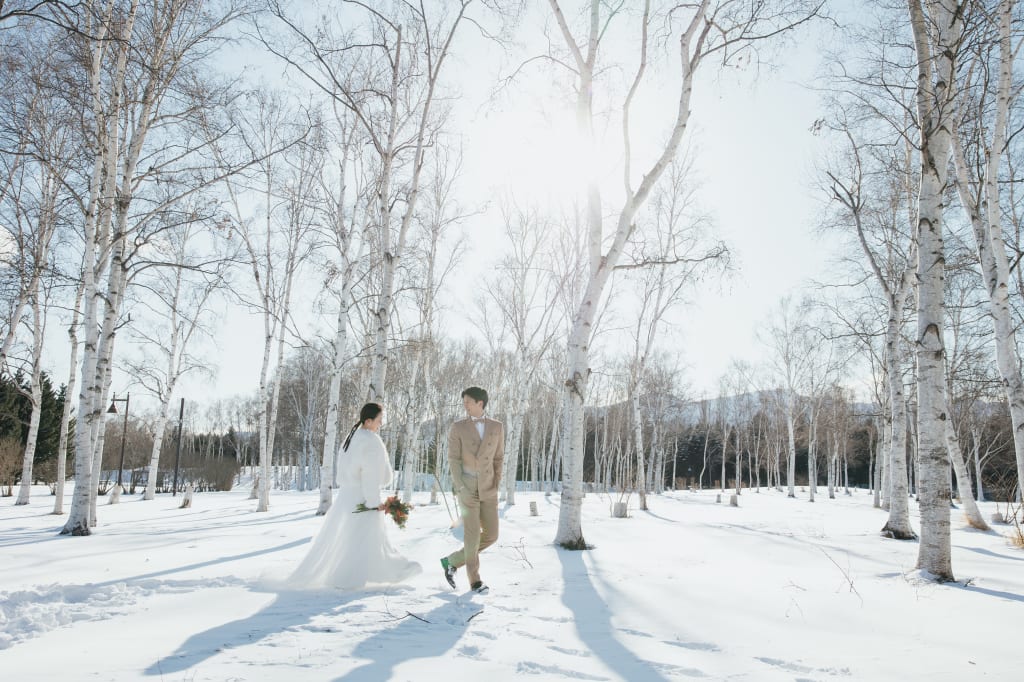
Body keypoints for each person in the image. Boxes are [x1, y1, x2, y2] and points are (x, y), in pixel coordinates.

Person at [289, 403, 421, 590]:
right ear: (368, 421)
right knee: (368, 539)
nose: (380, 424)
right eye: (379, 420)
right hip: (363, 496)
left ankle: (348, 576)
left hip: (347, 496)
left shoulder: (351, 437)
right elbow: (370, 475)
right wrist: (374, 502)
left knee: (354, 537)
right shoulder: (370, 441)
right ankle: (376, 573)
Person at [440, 386, 504, 593]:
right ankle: (475, 581)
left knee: (492, 535)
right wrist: (459, 485)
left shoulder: (497, 426)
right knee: (472, 534)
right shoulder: (458, 427)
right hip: (467, 486)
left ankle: (452, 560)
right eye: (464, 402)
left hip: (489, 487)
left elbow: (498, 458)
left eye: (468, 401)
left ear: (480, 403)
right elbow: (453, 458)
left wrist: (496, 483)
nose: (464, 405)